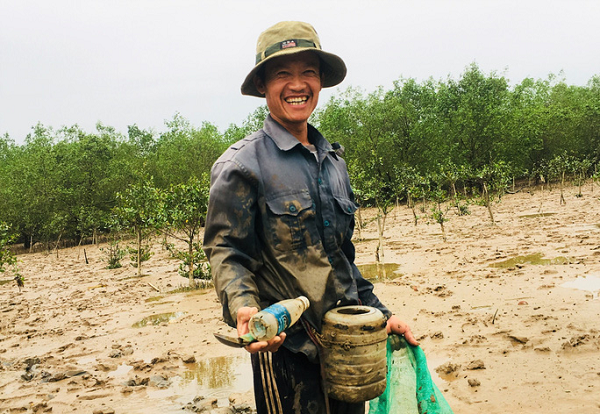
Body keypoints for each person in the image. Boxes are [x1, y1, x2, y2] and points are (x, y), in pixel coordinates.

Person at [203, 21, 418, 414]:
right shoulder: (241, 165)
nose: (297, 84)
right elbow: (226, 251)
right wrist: (244, 307)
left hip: (349, 346)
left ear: (320, 83)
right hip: (286, 352)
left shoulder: (333, 163)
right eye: (282, 73)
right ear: (263, 86)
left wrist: (383, 317)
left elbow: (342, 260)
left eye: (308, 72)